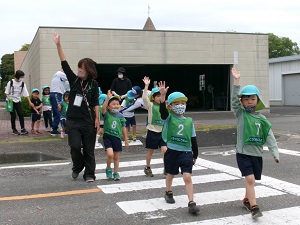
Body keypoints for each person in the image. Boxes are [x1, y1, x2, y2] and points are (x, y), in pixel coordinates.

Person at [231, 67, 279, 218]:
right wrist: (236, 82)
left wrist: (275, 152)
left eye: (252, 99)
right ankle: (254, 207)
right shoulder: (240, 114)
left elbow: (269, 136)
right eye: (246, 99)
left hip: (257, 154)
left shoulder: (263, 119)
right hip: (243, 153)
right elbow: (233, 102)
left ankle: (247, 200)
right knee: (250, 179)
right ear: (242, 101)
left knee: (251, 180)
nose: (249, 102)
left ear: (257, 100)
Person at [53, 32, 100, 183]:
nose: (79, 70)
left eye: (82, 68)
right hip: (72, 121)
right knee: (74, 146)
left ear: (89, 70)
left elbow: (95, 103)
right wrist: (58, 44)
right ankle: (77, 165)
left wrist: (97, 120)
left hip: (88, 121)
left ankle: (89, 174)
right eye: (79, 67)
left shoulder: (93, 84)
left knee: (89, 150)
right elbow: (64, 61)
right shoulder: (73, 80)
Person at [159, 81, 200, 214]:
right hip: (172, 152)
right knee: (171, 173)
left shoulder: (189, 121)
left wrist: (195, 154)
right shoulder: (169, 118)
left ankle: (191, 202)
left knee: (187, 176)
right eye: (176, 104)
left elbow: (193, 138)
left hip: (186, 152)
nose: (180, 106)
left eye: (182, 103)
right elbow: (163, 113)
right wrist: (162, 97)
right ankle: (168, 191)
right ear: (170, 106)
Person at [142, 76, 167, 177]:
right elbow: (144, 98)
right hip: (152, 131)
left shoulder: (164, 105)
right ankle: (147, 167)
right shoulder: (150, 105)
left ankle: (166, 167)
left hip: (163, 131)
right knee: (151, 151)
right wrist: (146, 86)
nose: (159, 98)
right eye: (157, 96)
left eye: (160, 96)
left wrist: (163, 94)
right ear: (153, 98)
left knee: (165, 150)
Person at [102, 90, 129, 181]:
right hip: (108, 136)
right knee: (110, 154)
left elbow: (124, 128)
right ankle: (108, 168)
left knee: (116, 156)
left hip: (117, 138)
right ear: (109, 107)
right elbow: (103, 108)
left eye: (117, 104)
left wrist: (126, 139)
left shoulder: (121, 116)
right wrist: (108, 98)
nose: (116, 106)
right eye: (113, 104)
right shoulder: (107, 114)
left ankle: (116, 172)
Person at [5, 70, 34, 135]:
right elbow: (6, 93)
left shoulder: (22, 84)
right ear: (17, 76)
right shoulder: (11, 82)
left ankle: (22, 128)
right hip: (10, 101)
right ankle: (14, 129)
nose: (21, 78)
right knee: (13, 115)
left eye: (22, 77)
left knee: (20, 114)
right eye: (21, 77)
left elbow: (26, 94)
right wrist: (9, 98)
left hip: (17, 100)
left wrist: (29, 102)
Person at [50, 68, 68, 136]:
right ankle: (55, 129)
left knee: (56, 112)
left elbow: (66, 85)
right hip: (57, 94)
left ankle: (55, 128)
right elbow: (69, 78)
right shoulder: (60, 74)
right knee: (58, 112)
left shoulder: (58, 76)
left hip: (56, 94)